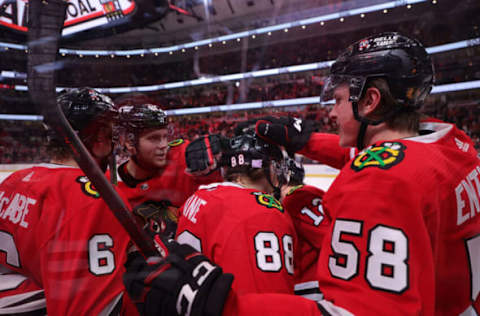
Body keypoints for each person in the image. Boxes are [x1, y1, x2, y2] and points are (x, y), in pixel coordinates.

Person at [122, 32, 480, 316]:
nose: (332, 112)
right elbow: (399, 159)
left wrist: (223, 307)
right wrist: (306, 140)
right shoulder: (452, 144)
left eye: (339, 100)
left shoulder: (377, 182)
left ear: (369, 101)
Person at [0, 88, 139, 315]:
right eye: (110, 133)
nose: (115, 143)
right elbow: (88, 307)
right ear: (99, 137)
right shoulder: (95, 198)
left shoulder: (12, 182)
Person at [175, 130, 297, 295]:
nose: (279, 172)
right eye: (276, 165)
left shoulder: (199, 197)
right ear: (261, 168)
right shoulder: (261, 211)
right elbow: (266, 297)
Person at [113, 104, 223, 239]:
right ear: (130, 143)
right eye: (154, 138)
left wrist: (221, 155)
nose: (164, 145)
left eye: (165, 136)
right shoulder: (113, 189)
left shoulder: (182, 155)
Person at [280, 158, 328, 301]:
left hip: (307, 286)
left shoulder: (297, 199)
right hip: (312, 285)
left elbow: (329, 238)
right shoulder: (304, 197)